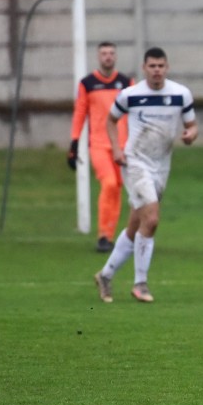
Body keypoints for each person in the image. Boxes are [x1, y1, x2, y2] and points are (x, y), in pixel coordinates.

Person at [94, 47, 198, 303]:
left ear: (167, 67)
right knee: (151, 220)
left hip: (161, 166)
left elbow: (191, 125)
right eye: (152, 66)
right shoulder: (131, 94)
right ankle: (140, 283)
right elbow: (110, 120)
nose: (157, 71)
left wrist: (190, 135)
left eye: (161, 66)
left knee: (135, 225)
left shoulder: (180, 94)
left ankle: (105, 275)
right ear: (144, 68)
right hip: (135, 162)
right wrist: (117, 149)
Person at [68, 41, 134, 252]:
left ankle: (109, 235)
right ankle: (103, 236)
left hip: (123, 146)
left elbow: (135, 113)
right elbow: (80, 113)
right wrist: (74, 142)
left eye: (111, 53)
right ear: (98, 57)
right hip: (98, 144)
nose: (108, 56)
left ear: (115, 57)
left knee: (116, 188)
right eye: (104, 53)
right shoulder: (87, 83)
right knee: (108, 183)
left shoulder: (126, 82)